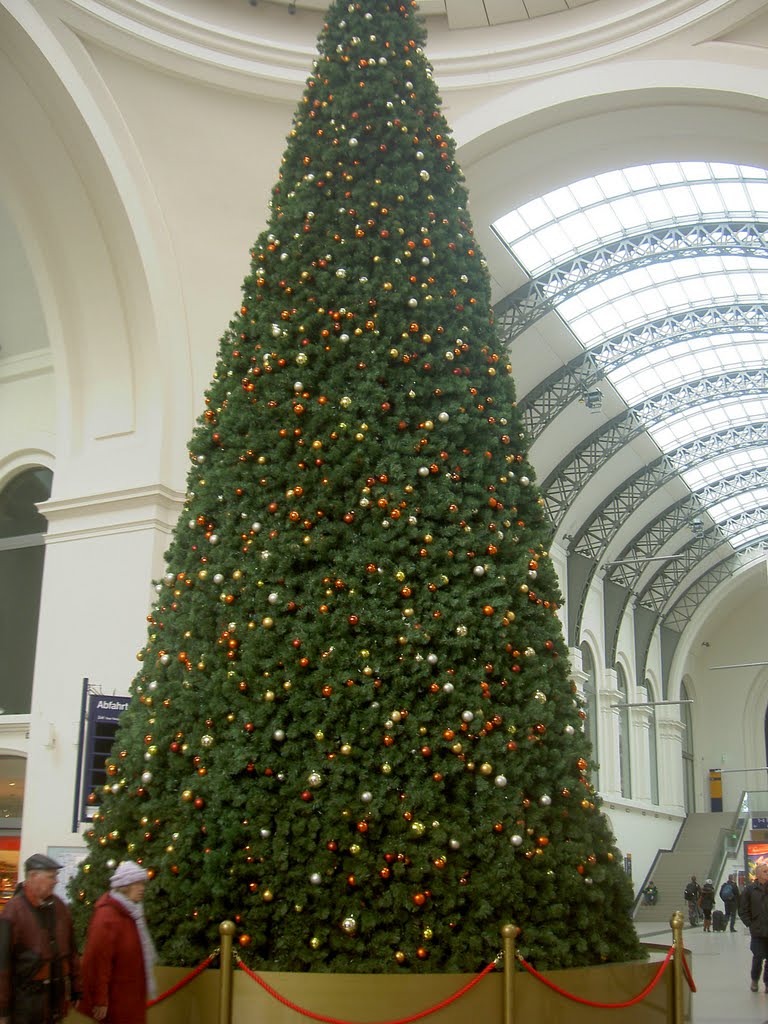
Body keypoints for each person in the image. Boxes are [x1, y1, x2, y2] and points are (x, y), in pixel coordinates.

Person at [0, 852, 81, 1023]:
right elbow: (3, 964)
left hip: (55, 1003)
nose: (56, 881)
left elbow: (72, 952)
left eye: (56, 876)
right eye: (51, 876)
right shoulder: (13, 911)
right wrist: (3, 1009)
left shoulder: (60, 907)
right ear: (32, 876)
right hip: (26, 1006)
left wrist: (75, 989)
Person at [78, 860, 157, 1024]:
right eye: (137, 884)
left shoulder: (132, 914)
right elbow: (99, 961)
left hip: (130, 998)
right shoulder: (108, 917)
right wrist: (100, 999)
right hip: (117, 1002)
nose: (142, 888)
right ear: (125, 886)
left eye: (142, 884)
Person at [739, 860, 768, 992]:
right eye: (765, 871)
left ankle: (767, 983)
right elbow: (743, 910)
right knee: (757, 957)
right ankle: (754, 980)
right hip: (757, 931)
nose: (767, 873)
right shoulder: (749, 890)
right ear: (757, 874)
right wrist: (750, 924)